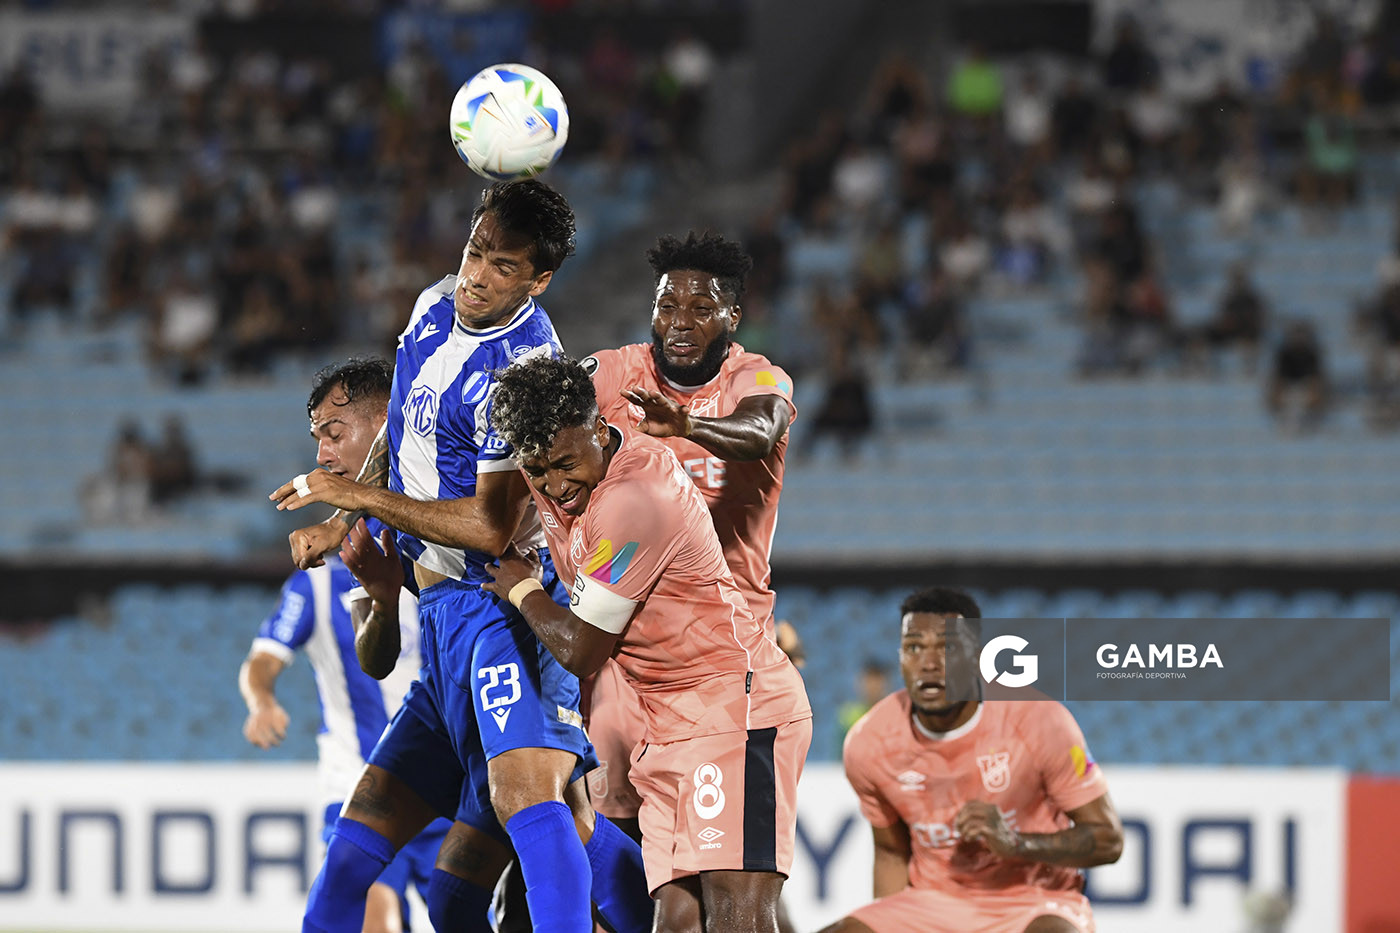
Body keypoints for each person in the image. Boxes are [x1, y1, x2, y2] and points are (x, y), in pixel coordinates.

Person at [269, 180, 650, 933]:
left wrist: (356, 499)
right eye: (476, 251)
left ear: (539, 280)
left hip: (497, 609)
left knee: (538, 807)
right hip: (442, 617)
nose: (477, 275)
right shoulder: (433, 304)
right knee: (368, 843)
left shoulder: (523, 370)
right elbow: (402, 446)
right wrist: (350, 509)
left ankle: (675, 917)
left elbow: (488, 525)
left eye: (504, 266)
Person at [483, 354, 812, 933]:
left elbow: (583, 649)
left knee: (738, 914)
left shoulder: (635, 497)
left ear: (598, 426)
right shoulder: (562, 473)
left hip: (733, 709)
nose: (556, 487)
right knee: (676, 921)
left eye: (564, 463)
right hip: (663, 725)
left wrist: (524, 591)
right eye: (537, 470)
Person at [240, 357, 450, 933]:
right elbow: (264, 660)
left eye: (334, 436)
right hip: (359, 777)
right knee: (371, 910)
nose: (322, 457)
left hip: (447, 764)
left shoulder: (439, 522)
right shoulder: (320, 578)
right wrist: (262, 700)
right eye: (319, 440)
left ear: (387, 423)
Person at [820, 588, 1124, 933]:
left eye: (947, 648)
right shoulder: (869, 743)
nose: (929, 663)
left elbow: (1107, 840)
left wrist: (1015, 843)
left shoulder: (1039, 720)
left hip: (1032, 901)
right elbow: (891, 853)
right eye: (914, 647)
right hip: (932, 905)